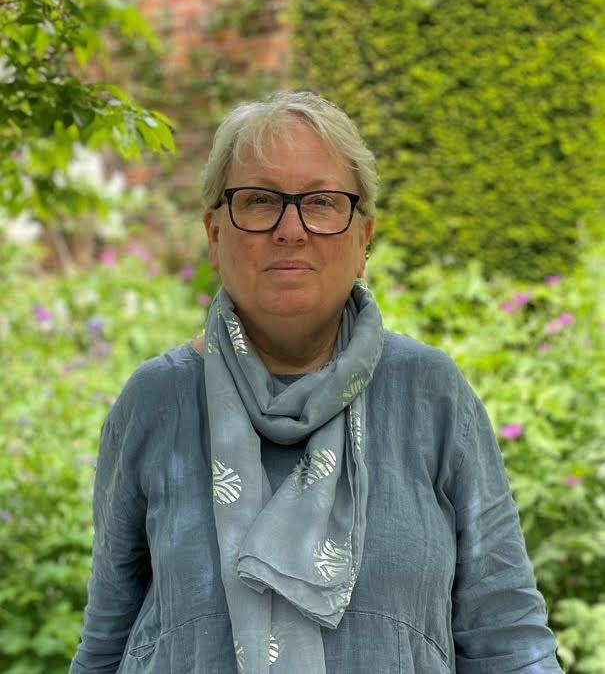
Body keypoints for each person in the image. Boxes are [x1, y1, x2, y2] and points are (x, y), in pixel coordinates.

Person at [69, 91, 564, 674]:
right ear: (215, 234)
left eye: (322, 202)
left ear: (363, 238)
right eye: (259, 201)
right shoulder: (157, 401)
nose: (290, 230)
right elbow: (107, 641)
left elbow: (508, 637)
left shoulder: (430, 396)